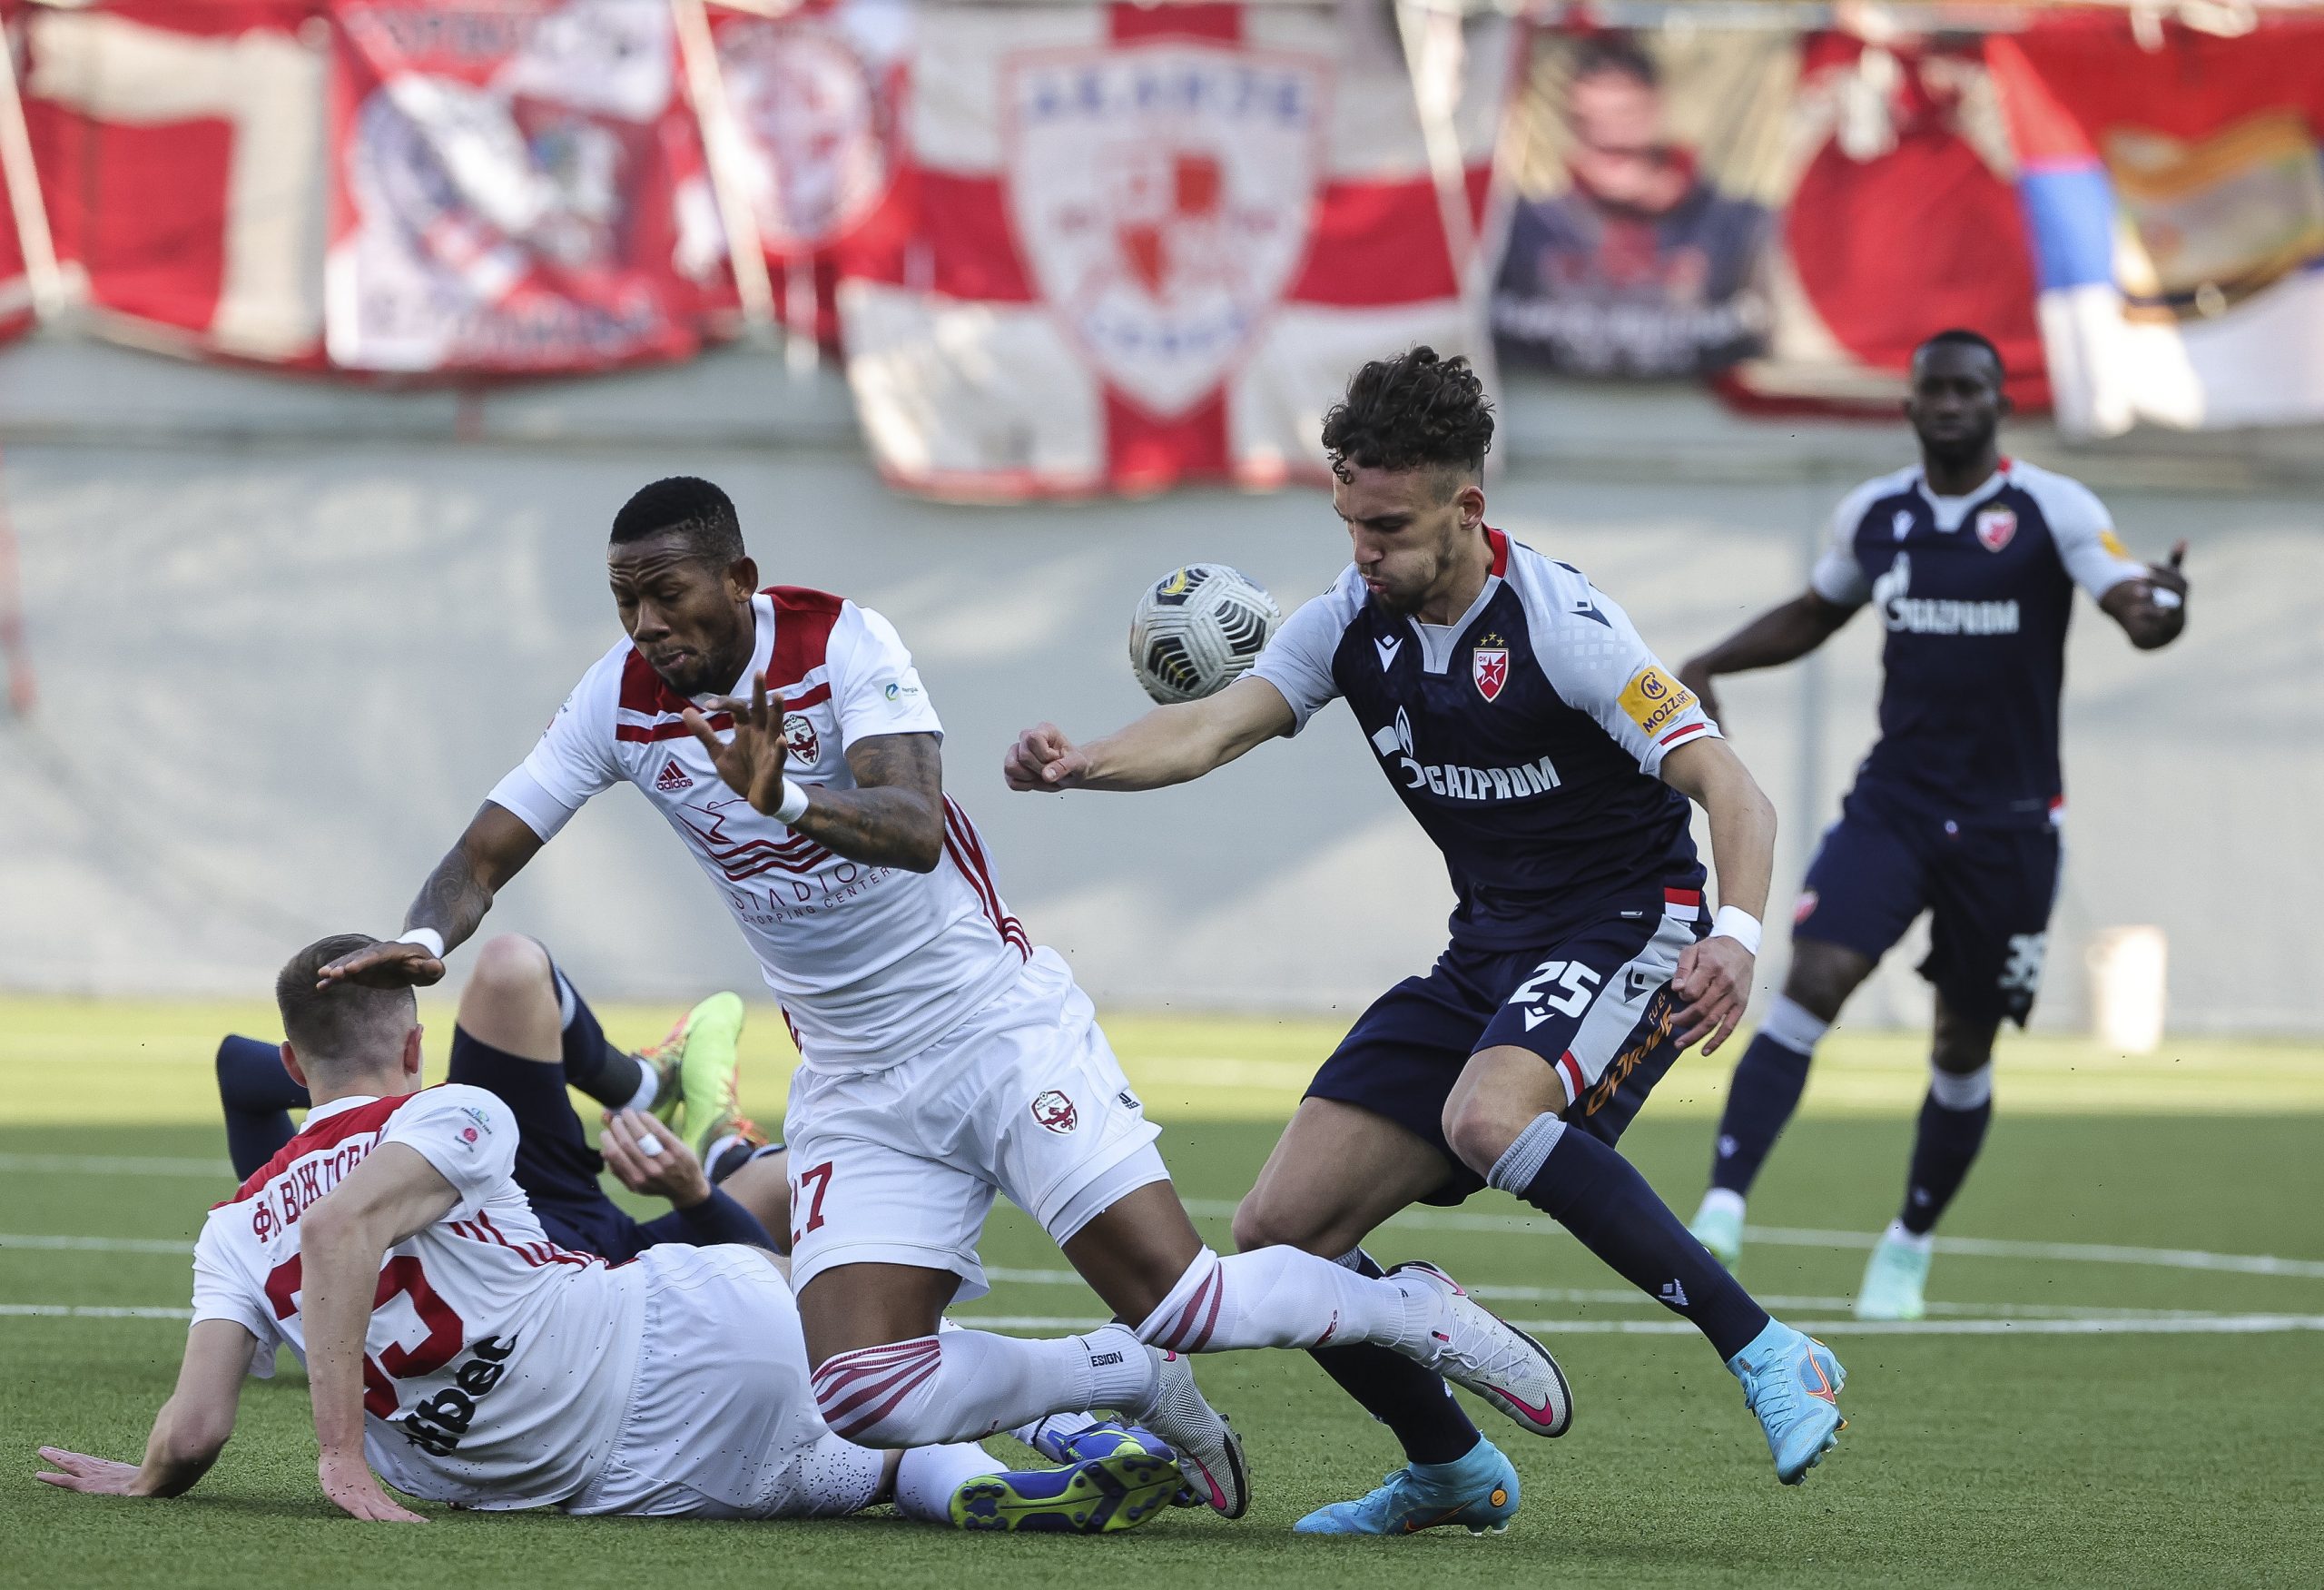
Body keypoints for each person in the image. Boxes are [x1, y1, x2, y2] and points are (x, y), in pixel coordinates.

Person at [310, 475, 1572, 1521]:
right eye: (624, 599)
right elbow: (484, 852)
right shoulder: (620, 700)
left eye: (667, 593)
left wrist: (785, 799)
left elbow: (914, 827)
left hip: (991, 1024)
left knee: (1185, 1292)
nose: (645, 623)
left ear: (740, 579)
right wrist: (423, 932)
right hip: (858, 1075)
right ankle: (1123, 1379)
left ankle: (1406, 1304)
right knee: (862, 1385)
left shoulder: (845, 642)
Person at [1003, 347, 1849, 1536]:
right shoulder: (1351, 619)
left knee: (1486, 1116)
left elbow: (1733, 786)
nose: (1364, 552)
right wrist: (1084, 760)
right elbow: (1206, 730)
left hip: (1628, 920)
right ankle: (1451, 1463)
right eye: (1352, 523)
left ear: (1468, 509)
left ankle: (1770, 1350)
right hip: (1487, 946)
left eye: (1390, 528)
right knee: (1277, 1229)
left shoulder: (1564, 625)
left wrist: (1741, 934)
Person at [33, 934, 1187, 1531]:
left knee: (850, 1470)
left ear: (291, 1066)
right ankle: (1091, 1395)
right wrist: (336, 1456)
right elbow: (344, 1225)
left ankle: (984, 1465)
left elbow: (195, 1427)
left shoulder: (230, 1224)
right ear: (415, 1045)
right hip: (681, 1330)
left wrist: (148, 1477)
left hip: (575, 1473)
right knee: (847, 1345)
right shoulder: (457, 1109)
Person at [1679, 328, 2190, 1318]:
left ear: (1997, 400)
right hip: (1895, 804)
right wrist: (1709, 661)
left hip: (2007, 826)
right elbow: (1815, 612)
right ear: (1910, 405)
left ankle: (1906, 1245)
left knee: (1962, 1042)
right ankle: (1722, 1209)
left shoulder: (2051, 507)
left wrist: (2157, 607)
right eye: (1933, 388)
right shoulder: (1875, 516)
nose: (1950, 402)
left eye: (1969, 386)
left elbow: (2128, 594)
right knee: (1817, 972)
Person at [212, 953, 793, 1263]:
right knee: (802, 1185)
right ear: (415, 1045)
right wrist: (693, 1194)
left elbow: (237, 1064)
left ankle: (648, 1093)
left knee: (512, 969)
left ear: (295, 1064)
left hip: (529, 1191)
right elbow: (762, 1279)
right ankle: (721, 1148)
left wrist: (370, 1106)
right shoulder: (303, 1207)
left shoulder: (275, 1201)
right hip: (586, 1278)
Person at [1492, 33, 1771, 378]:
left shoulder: (1740, 224)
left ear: (1657, 111)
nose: (1607, 136)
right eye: (1586, 121)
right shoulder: (1524, 227)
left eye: (1625, 114)